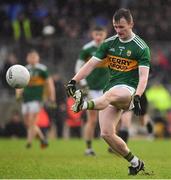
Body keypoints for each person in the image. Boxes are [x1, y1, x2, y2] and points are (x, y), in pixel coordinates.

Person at [66, 8, 150, 175]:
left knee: (109, 96)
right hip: (111, 88)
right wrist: (73, 80)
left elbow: (143, 77)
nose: (118, 31)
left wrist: (138, 96)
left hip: (129, 91)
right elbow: (90, 64)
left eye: (122, 27)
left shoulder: (141, 47)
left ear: (131, 24)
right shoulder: (109, 43)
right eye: (115, 27)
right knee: (106, 133)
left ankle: (82, 105)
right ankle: (135, 162)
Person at [75, 26, 108, 155]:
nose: (98, 37)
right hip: (91, 88)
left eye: (101, 34)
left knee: (111, 117)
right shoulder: (87, 49)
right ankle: (88, 148)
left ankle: (113, 146)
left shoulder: (109, 47)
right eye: (96, 34)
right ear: (92, 34)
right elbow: (78, 67)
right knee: (92, 120)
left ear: (105, 34)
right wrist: (83, 84)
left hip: (107, 88)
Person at [16, 50, 56, 148]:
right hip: (26, 98)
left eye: (34, 57)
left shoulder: (42, 69)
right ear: (27, 58)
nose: (32, 59)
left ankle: (28, 143)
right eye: (30, 57)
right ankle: (43, 139)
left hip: (37, 98)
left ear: (38, 58)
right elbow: (19, 84)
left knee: (32, 122)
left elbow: (49, 84)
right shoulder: (24, 69)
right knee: (27, 123)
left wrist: (52, 98)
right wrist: (18, 94)